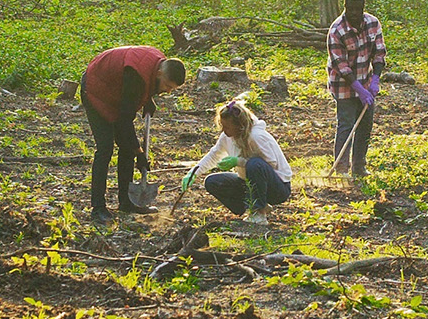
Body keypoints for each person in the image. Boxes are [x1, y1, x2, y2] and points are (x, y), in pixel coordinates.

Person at [81, 46, 187, 222]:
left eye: (172, 89)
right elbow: (124, 122)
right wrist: (140, 153)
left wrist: (147, 98)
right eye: (167, 86)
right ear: (160, 73)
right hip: (96, 89)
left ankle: (126, 202)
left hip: (116, 89)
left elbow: (142, 87)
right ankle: (97, 207)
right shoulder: (136, 75)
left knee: (127, 148)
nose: (168, 91)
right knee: (105, 148)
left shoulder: (158, 64)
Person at [179, 99, 293, 225]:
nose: (224, 130)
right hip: (249, 183)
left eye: (227, 127)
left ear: (239, 125)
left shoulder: (256, 136)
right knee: (213, 182)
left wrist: (239, 161)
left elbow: (270, 164)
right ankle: (252, 207)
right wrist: (193, 172)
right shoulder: (227, 137)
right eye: (222, 126)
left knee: (254, 164)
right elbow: (213, 155)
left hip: (277, 188)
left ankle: (258, 213)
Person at [327, 0, 386, 178]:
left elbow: (379, 53)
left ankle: (359, 168)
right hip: (343, 85)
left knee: (365, 125)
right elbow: (340, 65)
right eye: (350, 9)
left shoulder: (373, 23)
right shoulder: (337, 30)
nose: (354, 13)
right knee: (346, 124)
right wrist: (357, 88)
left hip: (367, 83)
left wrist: (375, 79)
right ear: (345, 7)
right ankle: (341, 170)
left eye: (357, 9)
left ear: (363, 8)